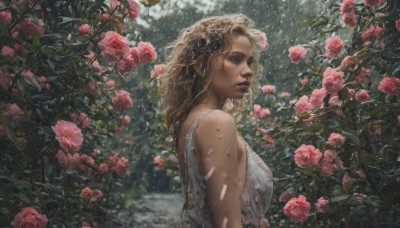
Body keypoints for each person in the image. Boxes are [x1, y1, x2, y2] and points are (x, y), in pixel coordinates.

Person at [161, 14, 273, 228]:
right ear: (201, 65)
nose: (248, 70)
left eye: (249, 61)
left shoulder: (194, 120)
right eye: (235, 59)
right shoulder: (216, 122)